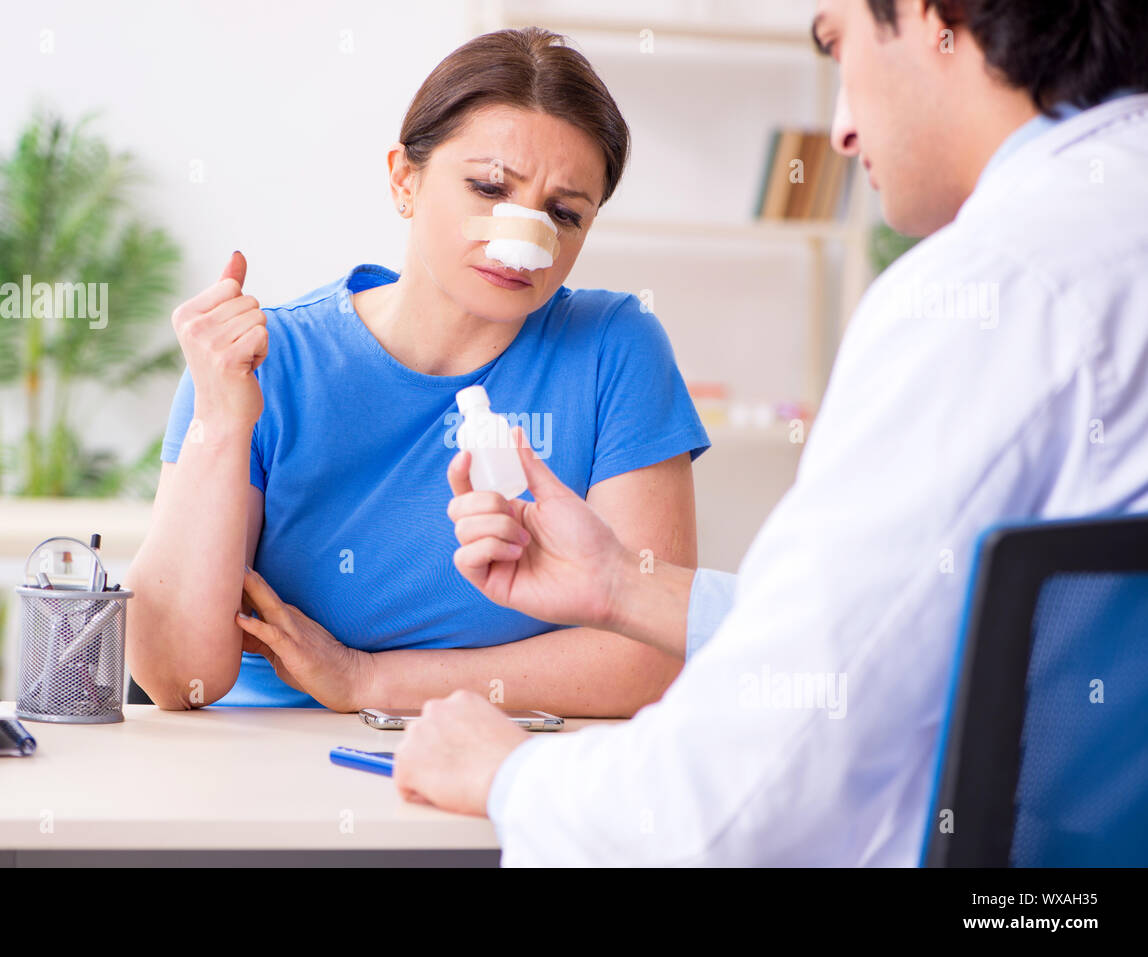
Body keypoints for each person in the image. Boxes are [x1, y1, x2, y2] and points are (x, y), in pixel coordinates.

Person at [394, 0, 1148, 865]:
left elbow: (740, 804)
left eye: (836, 44)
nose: (840, 131)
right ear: (403, 180)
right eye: (489, 186)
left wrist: (510, 775)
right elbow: (928, 629)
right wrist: (617, 585)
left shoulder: (1001, 292)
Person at [125, 27, 711, 716]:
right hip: (267, 772)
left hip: (500, 768)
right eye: (490, 187)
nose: (523, 240)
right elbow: (176, 677)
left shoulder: (615, 348)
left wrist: (366, 681)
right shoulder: (259, 362)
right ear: (405, 179)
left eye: (562, 213)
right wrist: (223, 423)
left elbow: (650, 656)